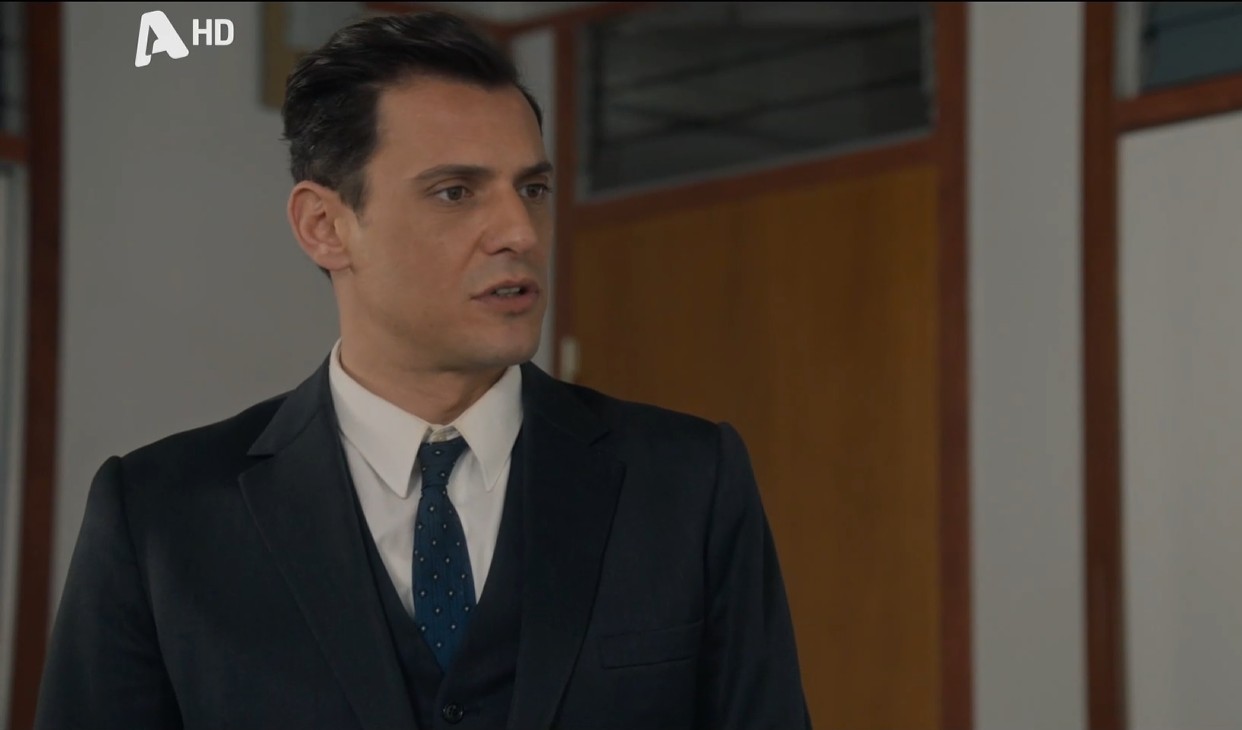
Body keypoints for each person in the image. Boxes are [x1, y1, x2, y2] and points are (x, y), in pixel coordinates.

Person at [34, 11, 810, 730]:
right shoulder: (161, 519)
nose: (519, 231)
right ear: (324, 225)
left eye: (533, 188)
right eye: (455, 192)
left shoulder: (686, 483)